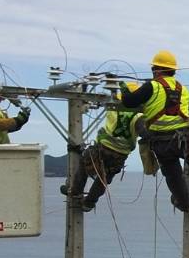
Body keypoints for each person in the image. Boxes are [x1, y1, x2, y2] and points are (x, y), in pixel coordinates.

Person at [120, 50, 189, 212]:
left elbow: (129, 102)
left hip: (162, 142)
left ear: (158, 70)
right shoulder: (183, 89)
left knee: (173, 175)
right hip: (184, 138)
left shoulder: (152, 87)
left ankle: (184, 204)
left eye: (153, 70)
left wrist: (124, 89)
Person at [61, 82, 149, 212]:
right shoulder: (139, 115)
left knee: (85, 166)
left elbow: (106, 101)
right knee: (104, 178)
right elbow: (144, 133)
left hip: (103, 147)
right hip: (120, 154)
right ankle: (89, 203)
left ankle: (75, 192)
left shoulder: (113, 107)